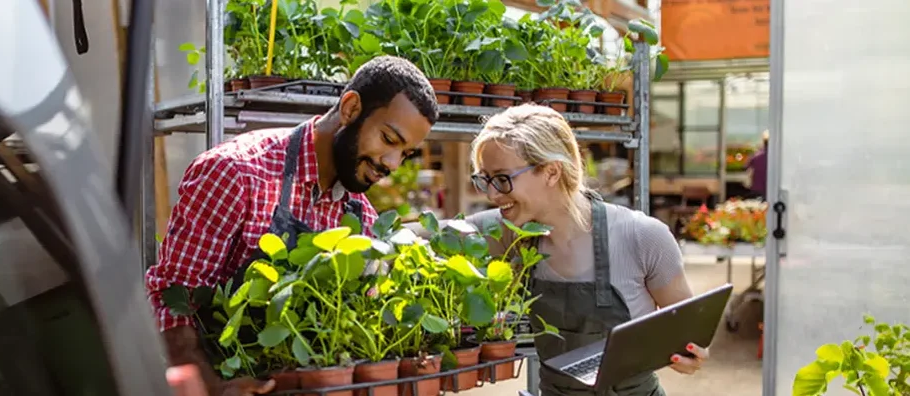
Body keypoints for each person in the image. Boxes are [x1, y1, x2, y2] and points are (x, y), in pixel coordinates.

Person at [145, 55, 440, 396]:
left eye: (405, 153)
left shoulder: (360, 216)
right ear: (350, 108)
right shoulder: (235, 173)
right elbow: (171, 299)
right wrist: (215, 388)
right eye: (389, 140)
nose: (392, 164)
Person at [441, 103, 707, 395]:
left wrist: (688, 354)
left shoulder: (642, 237)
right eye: (485, 179)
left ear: (552, 172)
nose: (492, 194)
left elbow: (687, 338)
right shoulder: (509, 232)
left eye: (503, 179)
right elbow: (433, 233)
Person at [746, 130, 769, 200]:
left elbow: (746, 167)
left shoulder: (756, 156)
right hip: (771, 189)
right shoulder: (777, 157)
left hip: (757, 189)